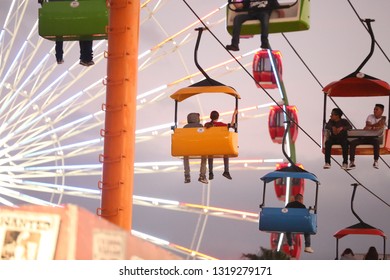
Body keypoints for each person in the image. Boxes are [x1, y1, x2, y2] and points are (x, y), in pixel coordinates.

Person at [40, 0, 94, 66]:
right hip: (76, 12)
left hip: (59, 12)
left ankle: (59, 57)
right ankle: (87, 58)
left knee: (59, 33)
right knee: (85, 30)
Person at [349, 104, 386, 169]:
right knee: (353, 143)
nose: (374, 111)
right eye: (374, 109)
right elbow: (368, 125)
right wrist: (375, 127)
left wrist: (371, 127)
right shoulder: (370, 116)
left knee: (376, 143)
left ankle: (376, 161)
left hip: (374, 138)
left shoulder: (384, 118)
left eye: (376, 109)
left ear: (382, 111)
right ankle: (351, 162)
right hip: (365, 136)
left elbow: (378, 125)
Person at [204, 109, 238, 180]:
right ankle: (226, 171)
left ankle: (210, 172)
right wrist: (234, 114)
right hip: (219, 146)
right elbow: (231, 125)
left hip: (210, 146)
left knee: (210, 154)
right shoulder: (220, 124)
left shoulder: (206, 125)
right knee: (226, 153)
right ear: (218, 117)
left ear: (211, 117)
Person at [183, 113, 208, 184]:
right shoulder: (200, 126)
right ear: (197, 118)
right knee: (204, 156)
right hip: (198, 147)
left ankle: (187, 175)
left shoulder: (185, 127)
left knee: (185, 155)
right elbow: (203, 136)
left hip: (188, 147)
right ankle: (202, 176)